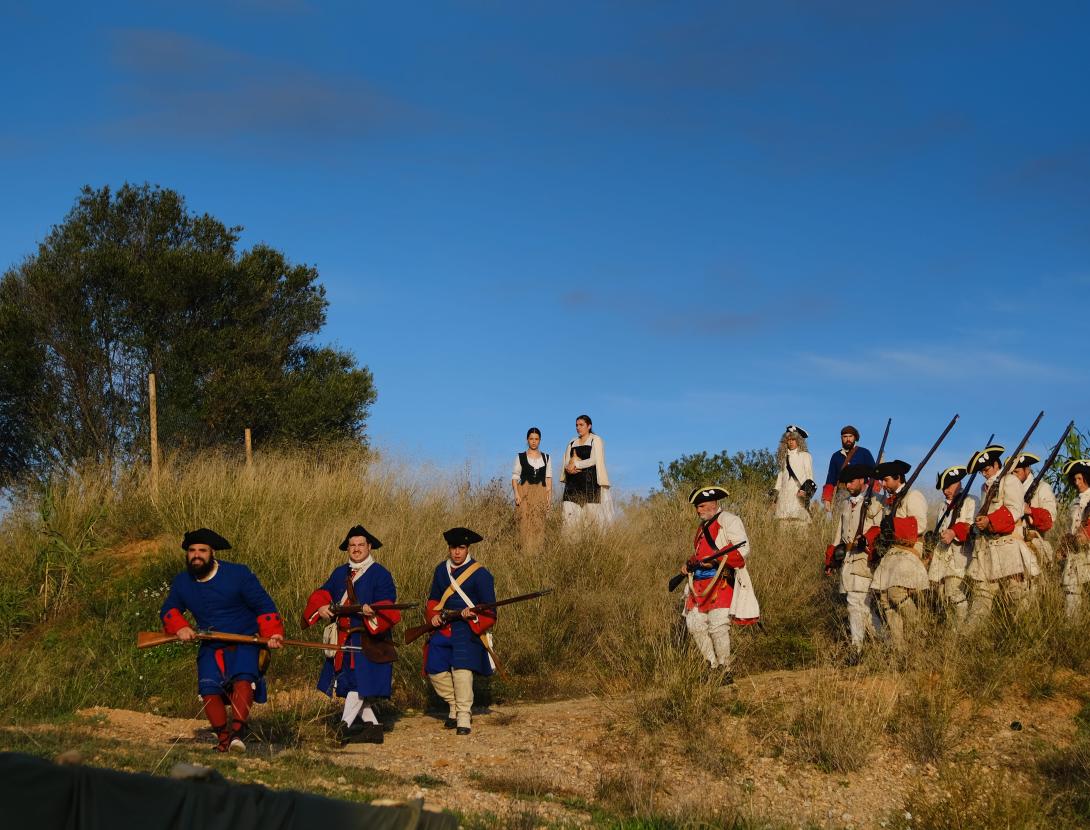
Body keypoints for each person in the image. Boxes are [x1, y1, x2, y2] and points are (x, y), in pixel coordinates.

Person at [160, 528, 284, 753]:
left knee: (243, 681)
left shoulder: (239, 574)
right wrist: (180, 627)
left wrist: (272, 634)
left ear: (212, 553)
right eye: (192, 551)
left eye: (202, 550)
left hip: (246, 640)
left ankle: (238, 735)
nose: (196, 555)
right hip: (211, 643)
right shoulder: (182, 581)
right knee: (208, 690)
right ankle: (224, 740)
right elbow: (169, 609)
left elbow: (263, 605)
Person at [302, 525, 401, 745]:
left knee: (358, 683)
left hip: (368, 639)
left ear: (369, 547)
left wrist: (372, 609)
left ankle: (342, 728)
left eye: (360, 545)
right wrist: (321, 607)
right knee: (349, 683)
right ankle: (373, 728)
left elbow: (388, 604)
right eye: (352, 545)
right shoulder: (340, 572)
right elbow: (323, 593)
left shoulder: (381, 574)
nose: (356, 549)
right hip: (343, 638)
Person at [680, 486, 761, 682]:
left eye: (701, 506)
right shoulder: (701, 528)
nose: (698, 511)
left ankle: (725, 669)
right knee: (695, 624)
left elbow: (742, 550)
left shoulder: (730, 520)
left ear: (713, 504)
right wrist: (689, 563)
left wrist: (715, 560)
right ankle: (711, 666)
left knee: (718, 626)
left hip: (721, 581)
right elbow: (700, 554)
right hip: (698, 584)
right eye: (697, 508)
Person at [424, 527, 496, 735]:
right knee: (435, 669)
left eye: (461, 548)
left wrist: (472, 614)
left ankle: (463, 715)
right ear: (449, 548)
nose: (457, 552)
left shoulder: (481, 574)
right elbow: (434, 599)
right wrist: (434, 616)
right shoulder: (441, 570)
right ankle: (454, 704)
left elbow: (490, 610)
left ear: (467, 549)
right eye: (453, 547)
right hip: (445, 627)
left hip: (467, 629)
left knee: (462, 671)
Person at [965, 445, 1031, 627]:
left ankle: (1025, 632)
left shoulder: (1009, 480)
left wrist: (990, 521)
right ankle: (969, 638)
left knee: (1016, 594)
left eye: (986, 469)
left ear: (996, 464)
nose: (985, 474)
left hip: (1007, 545)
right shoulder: (985, 487)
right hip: (987, 547)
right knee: (981, 595)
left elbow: (1015, 510)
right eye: (982, 472)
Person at [867, 460, 929, 649]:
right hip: (893, 552)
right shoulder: (889, 502)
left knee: (896, 593)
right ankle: (899, 648)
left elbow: (920, 524)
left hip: (909, 549)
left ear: (898, 478)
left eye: (885, 480)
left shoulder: (913, 495)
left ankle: (920, 632)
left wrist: (894, 525)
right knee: (885, 598)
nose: (883, 485)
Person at [823, 463, 883, 659]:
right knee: (859, 605)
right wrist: (831, 559)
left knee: (857, 602)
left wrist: (867, 538)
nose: (848, 486)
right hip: (848, 559)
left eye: (851, 481)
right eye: (846, 482)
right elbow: (839, 534)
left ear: (861, 481)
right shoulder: (846, 504)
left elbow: (879, 528)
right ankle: (883, 644)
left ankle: (858, 648)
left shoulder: (875, 502)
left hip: (865, 558)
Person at [926, 466, 975, 625]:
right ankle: (952, 626)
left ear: (959, 483)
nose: (945, 490)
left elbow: (971, 526)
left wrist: (954, 532)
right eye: (943, 488)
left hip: (959, 554)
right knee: (942, 594)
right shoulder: (943, 505)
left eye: (949, 486)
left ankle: (961, 626)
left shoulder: (970, 500)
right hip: (942, 555)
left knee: (953, 591)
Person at [560, 414, 612, 537]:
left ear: (589, 426)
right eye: (577, 425)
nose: (578, 428)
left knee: (593, 520)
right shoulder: (572, 442)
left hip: (590, 484)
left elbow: (594, 460)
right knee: (569, 518)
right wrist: (569, 468)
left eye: (581, 425)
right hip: (572, 484)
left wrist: (576, 464)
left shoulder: (596, 440)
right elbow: (567, 461)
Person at [1012, 452, 1058, 576]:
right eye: (1012, 473)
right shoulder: (1013, 491)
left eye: (1017, 472)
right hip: (1015, 547)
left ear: (1027, 470)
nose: (1014, 476)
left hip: (1035, 544)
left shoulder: (1042, 488)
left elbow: (1051, 518)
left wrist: (1030, 511)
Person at [511, 427, 552, 551]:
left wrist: (549, 498)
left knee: (539, 523)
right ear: (527, 440)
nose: (534, 441)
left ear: (540, 440)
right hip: (524, 491)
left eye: (536, 439)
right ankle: (524, 552)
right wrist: (516, 494)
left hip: (540, 492)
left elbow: (548, 479)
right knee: (524, 522)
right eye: (531, 439)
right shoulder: (520, 456)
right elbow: (515, 477)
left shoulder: (546, 457)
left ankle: (537, 553)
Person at [821, 425, 876, 512]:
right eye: (845, 437)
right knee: (839, 522)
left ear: (855, 438)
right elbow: (830, 479)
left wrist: (871, 492)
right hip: (841, 494)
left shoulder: (864, 453)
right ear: (841, 438)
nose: (848, 439)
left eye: (850, 436)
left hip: (862, 493)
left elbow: (875, 474)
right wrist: (827, 499)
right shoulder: (836, 456)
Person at [1060, 459, 1090, 617]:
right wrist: (1063, 546)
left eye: (1080, 478)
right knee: (1071, 592)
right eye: (1075, 479)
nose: (1077, 482)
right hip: (1075, 554)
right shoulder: (1074, 503)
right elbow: (1069, 530)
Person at [773, 425, 816, 522]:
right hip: (784, 499)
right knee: (782, 529)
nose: (791, 442)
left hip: (799, 498)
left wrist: (805, 492)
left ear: (799, 440)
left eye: (794, 439)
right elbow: (780, 478)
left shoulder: (805, 456)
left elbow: (810, 476)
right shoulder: (784, 457)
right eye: (789, 439)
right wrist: (775, 494)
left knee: (800, 529)